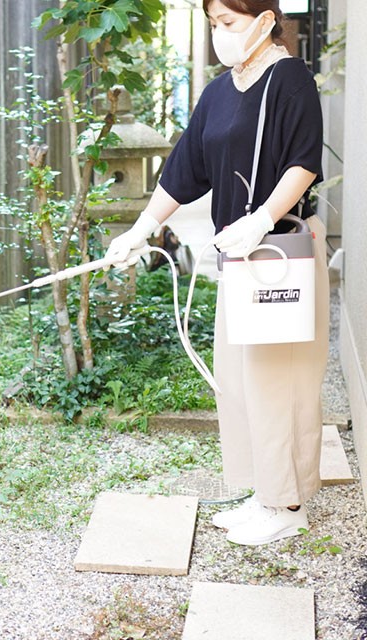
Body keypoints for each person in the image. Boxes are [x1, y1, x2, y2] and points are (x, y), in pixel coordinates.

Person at [104, 0, 329, 546]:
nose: (219, 34)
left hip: (280, 250)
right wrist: (139, 229)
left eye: (228, 23)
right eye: (213, 24)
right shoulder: (220, 91)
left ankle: (288, 504)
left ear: (266, 20)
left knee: (282, 381)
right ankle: (262, 493)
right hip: (239, 254)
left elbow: (303, 161)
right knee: (241, 379)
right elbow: (185, 169)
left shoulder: (291, 81)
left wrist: (263, 218)